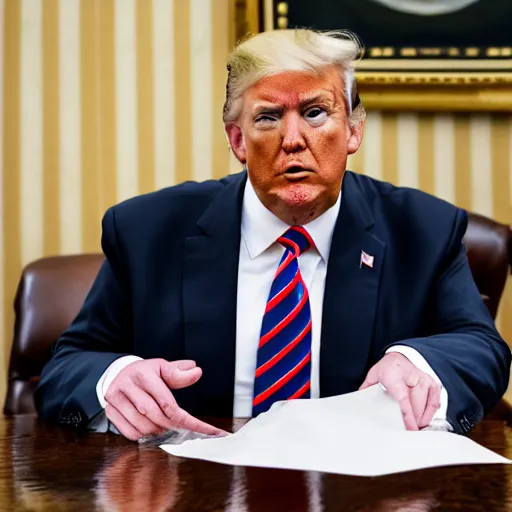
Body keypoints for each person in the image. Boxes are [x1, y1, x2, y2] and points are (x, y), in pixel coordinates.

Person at [35, 29, 510, 441]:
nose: (292, 139)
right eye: (267, 117)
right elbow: (66, 369)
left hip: (358, 492)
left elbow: (482, 349)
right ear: (238, 141)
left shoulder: (423, 231)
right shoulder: (146, 232)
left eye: (316, 112)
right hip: (194, 487)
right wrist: (115, 378)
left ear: (353, 130)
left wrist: (418, 363)